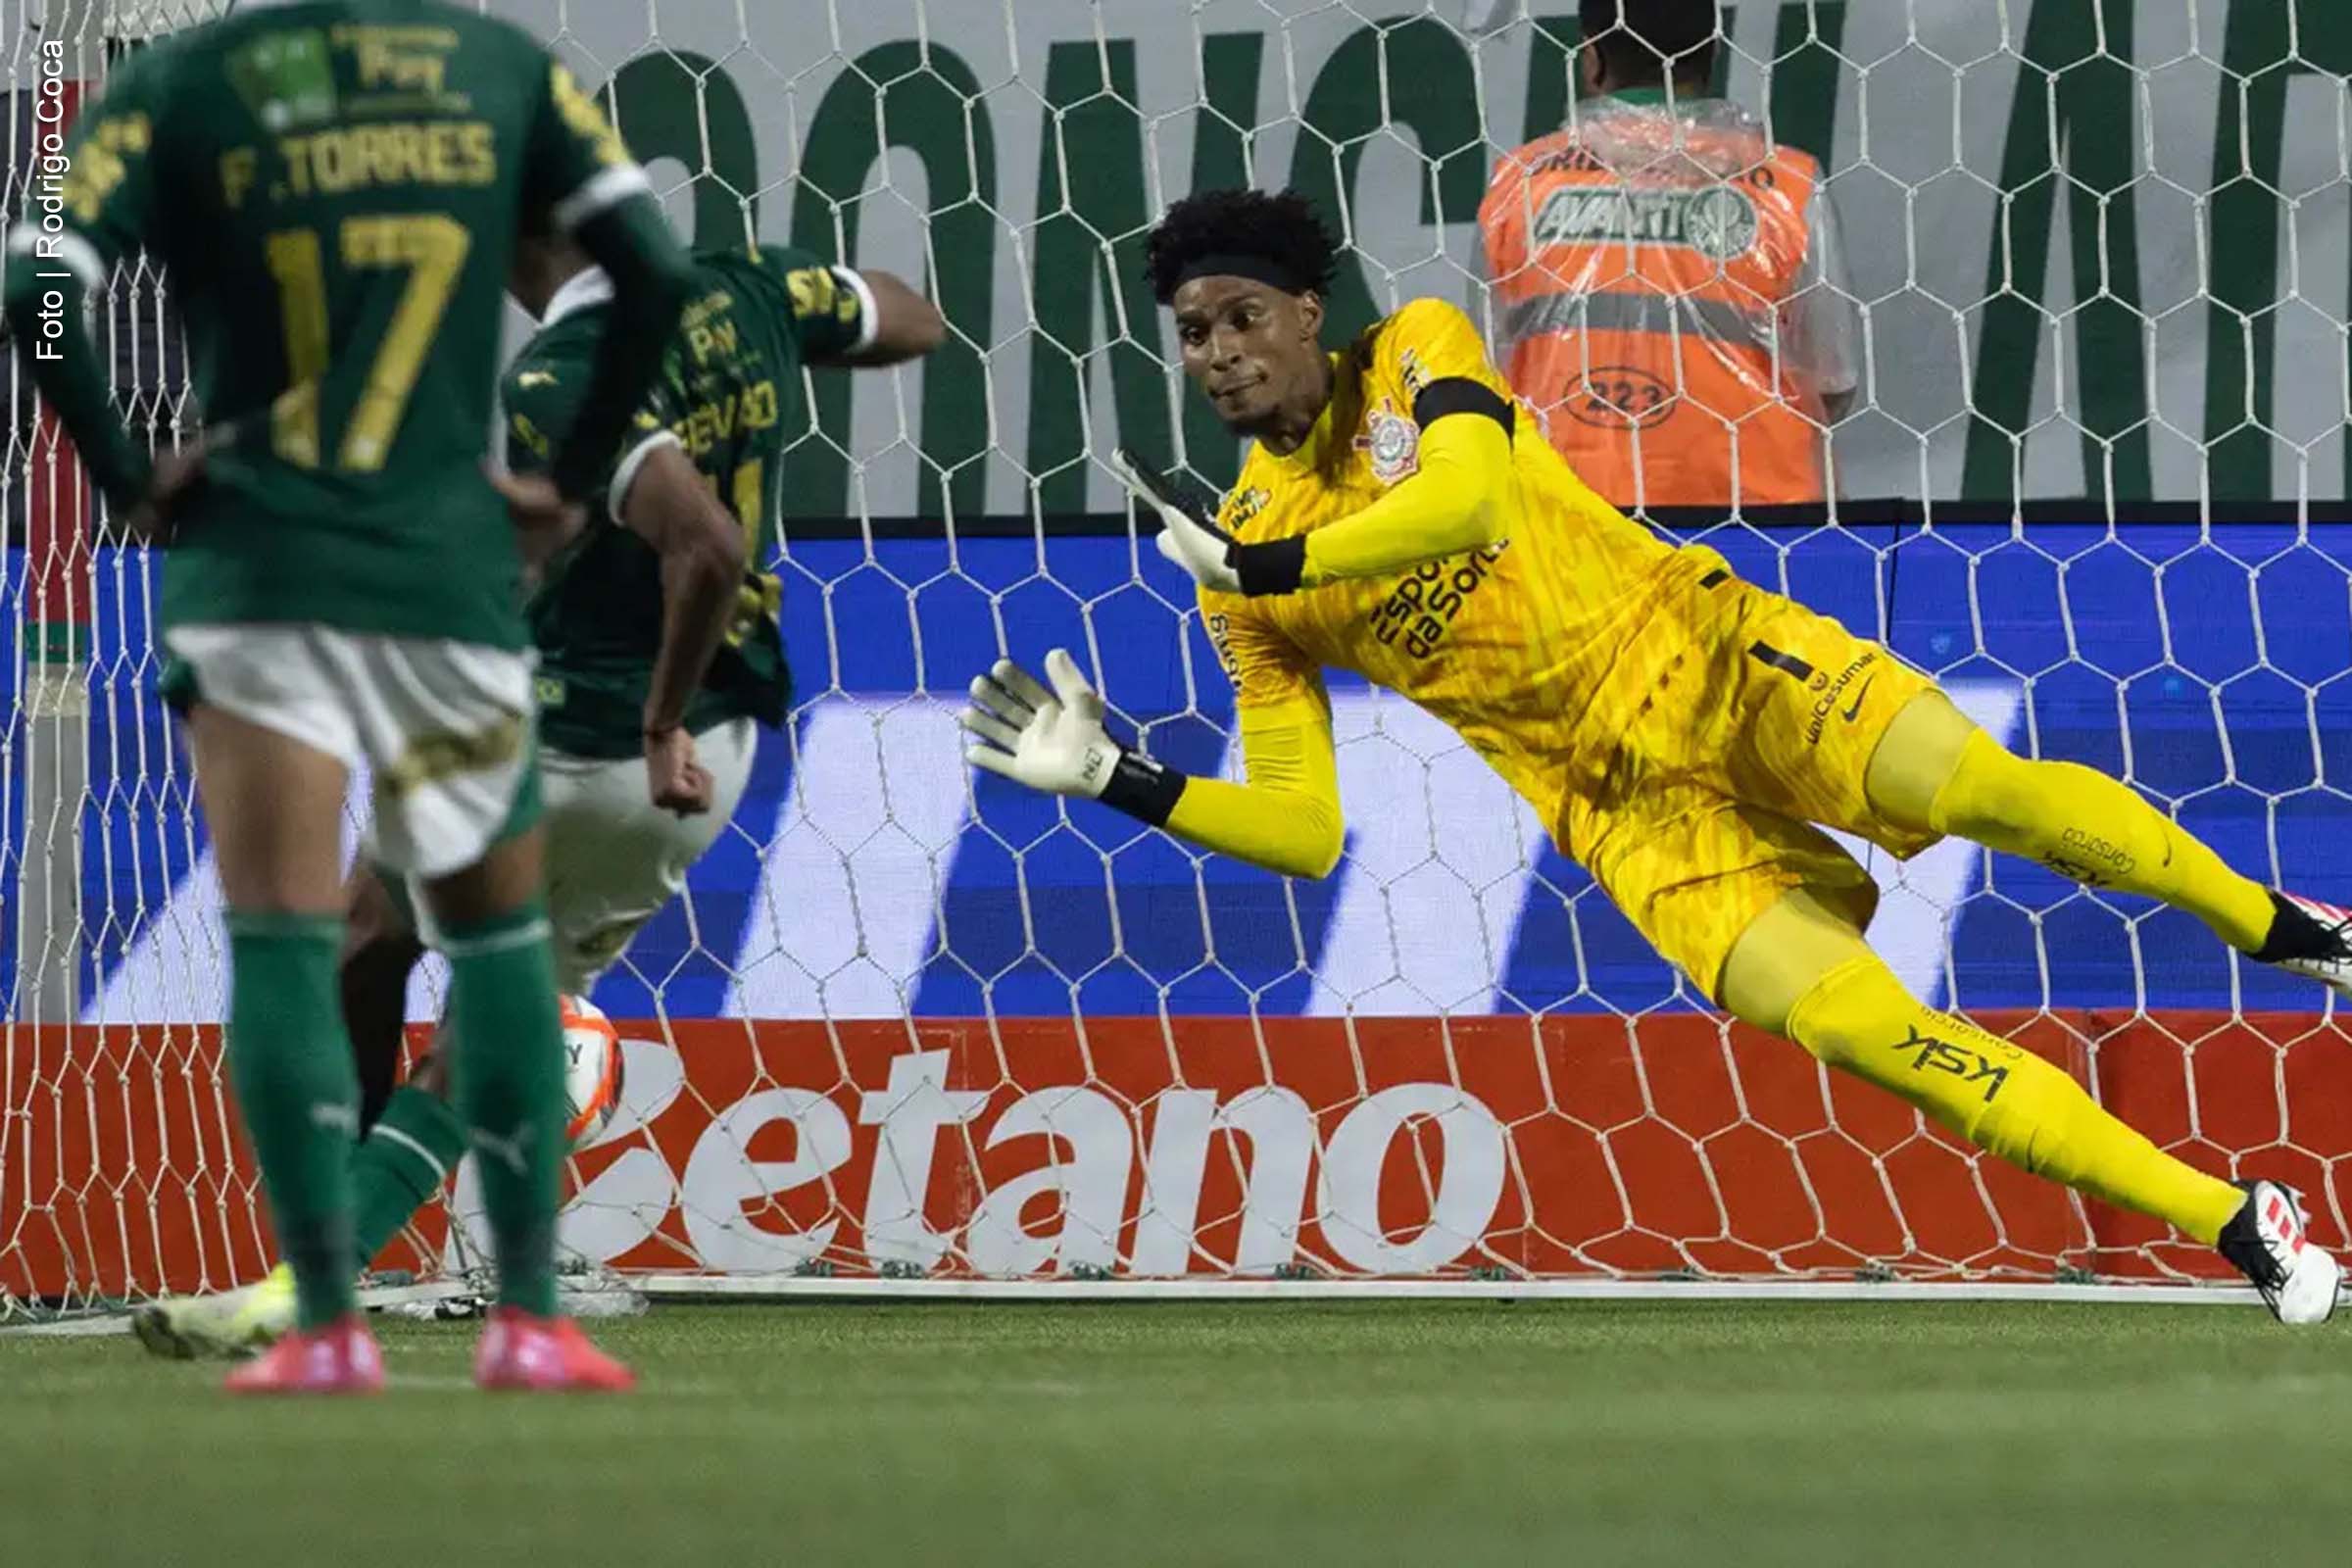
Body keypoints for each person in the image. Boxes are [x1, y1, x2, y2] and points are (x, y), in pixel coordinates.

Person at [961, 187, 2347, 1322]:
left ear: (1309, 313)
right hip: (1623, 814)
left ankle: (2289, 927)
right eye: (1192, 332)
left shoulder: (1414, 356)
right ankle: (2239, 1221)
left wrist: (1280, 554)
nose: (1215, 353)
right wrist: (1121, 780)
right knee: (1875, 1035)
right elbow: (1305, 828)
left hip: (1714, 657)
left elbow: (1468, 496)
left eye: (1241, 318)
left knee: (1981, 790)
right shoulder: (1238, 574)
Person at [3, 2, 699, 1392]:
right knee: (499, 947)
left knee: (278, 935)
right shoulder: (498, 69)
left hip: (257, 560)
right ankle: (531, 1319)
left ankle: (324, 1323)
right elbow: (653, 269)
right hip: (441, 565)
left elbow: (38, 279)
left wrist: (128, 471)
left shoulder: (186, 78)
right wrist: (567, 486)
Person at [128, 227, 946, 1360]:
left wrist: (658, 724)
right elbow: (913, 315)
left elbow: (702, 543)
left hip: (598, 749)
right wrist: (775, 348)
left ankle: (317, 1276)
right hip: (684, 743)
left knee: (420, 979)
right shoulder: (743, 287)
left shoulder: (564, 376)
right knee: (371, 936)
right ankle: (367, 1222)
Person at [1478, 0, 1858, 509]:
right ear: (1712, 53)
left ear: (1592, 58)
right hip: (1754, 526)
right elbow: (1833, 381)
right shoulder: (1788, 186)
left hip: (1570, 525)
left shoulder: (1518, 185)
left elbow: (1481, 375)